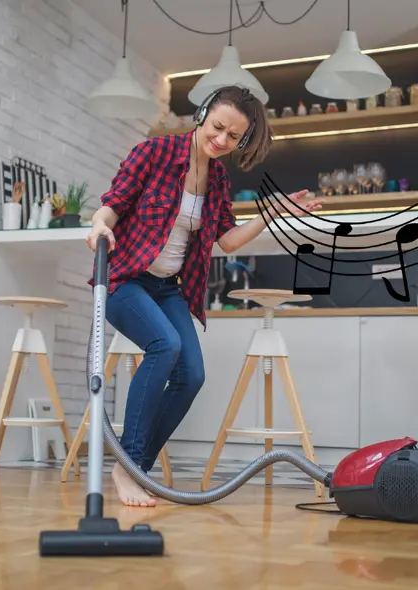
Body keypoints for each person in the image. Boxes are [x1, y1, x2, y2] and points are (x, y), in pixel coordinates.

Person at [85, 85, 323, 507]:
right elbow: (112, 204)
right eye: (218, 128)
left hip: (166, 289)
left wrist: (275, 213)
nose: (222, 141)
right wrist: (99, 225)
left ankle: (134, 466)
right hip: (126, 280)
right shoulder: (154, 153)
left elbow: (227, 241)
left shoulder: (218, 179)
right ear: (202, 114)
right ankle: (126, 468)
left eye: (234, 137)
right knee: (166, 345)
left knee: (191, 374)